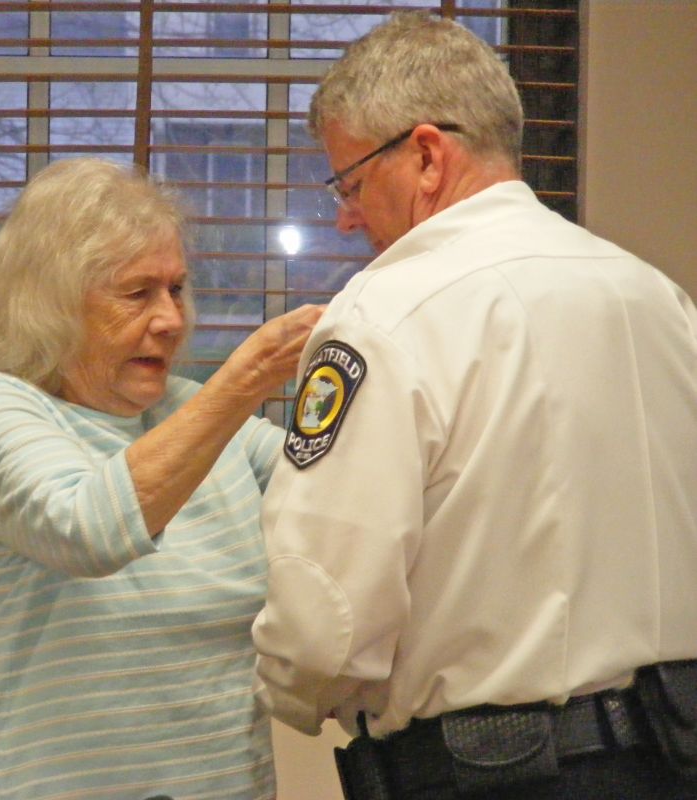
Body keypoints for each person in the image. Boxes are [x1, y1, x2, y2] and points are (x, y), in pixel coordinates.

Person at [251, 11, 697, 800]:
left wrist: (279, 684)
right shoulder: (657, 299)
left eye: (350, 183)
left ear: (425, 155)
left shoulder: (386, 314)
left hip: (494, 771)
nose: (346, 216)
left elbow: (324, 622)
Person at [0, 156, 323, 800]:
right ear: (54, 303)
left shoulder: (189, 412)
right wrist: (246, 379)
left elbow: (331, 488)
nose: (171, 318)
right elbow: (89, 529)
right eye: (137, 293)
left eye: (176, 288)